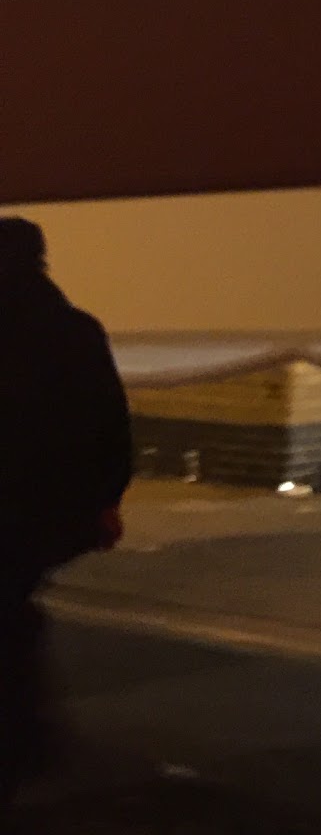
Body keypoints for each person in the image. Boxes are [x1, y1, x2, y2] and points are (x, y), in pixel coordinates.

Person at [0, 217, 131, 816]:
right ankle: (22, 735)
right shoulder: (76, 330)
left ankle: (19, 736)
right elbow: (109, 422)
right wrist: (105, 499)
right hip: (50, 510)